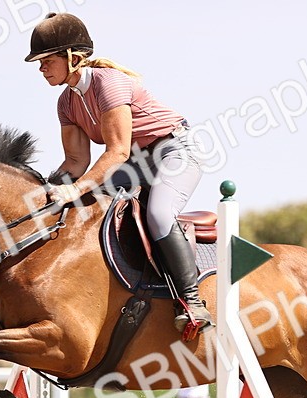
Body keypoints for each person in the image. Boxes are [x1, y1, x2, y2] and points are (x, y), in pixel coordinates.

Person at [26, 12, 213, 334]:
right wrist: (43, 191)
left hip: (175, 150)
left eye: (47, 60)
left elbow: (117, 152)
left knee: (158, 214)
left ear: (73, 58)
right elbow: (74, 162)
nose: (41, 69)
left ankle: (192, 301)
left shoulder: (108, 84)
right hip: (137, 160)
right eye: (39, 63)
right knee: (81, 207)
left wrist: (77, 187)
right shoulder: (65, 103)